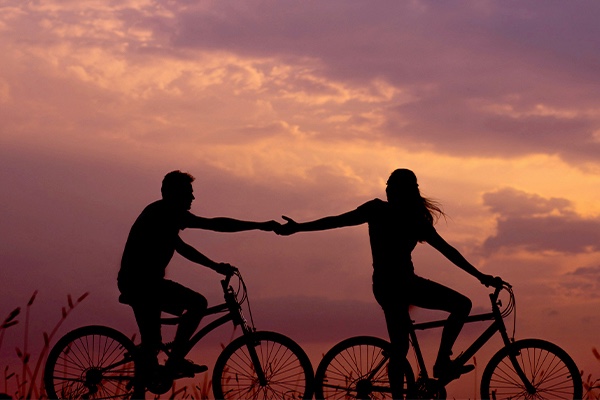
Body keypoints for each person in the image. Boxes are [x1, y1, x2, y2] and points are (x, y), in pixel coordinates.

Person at [275, 168, 502, 397]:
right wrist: (481, 277)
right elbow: (337, 221)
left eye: (391, 185)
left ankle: (424, 375)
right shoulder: (394, 214)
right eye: (387, 185)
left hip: (389, 286)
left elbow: (448, 251)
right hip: (400, 285)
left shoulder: (398, 215)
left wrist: (480, 276)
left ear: (402, 190)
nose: (387, 189)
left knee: (401, 346)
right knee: (458, 307)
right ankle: (442, 362)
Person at [118, 170, 279, 378]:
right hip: (141, 285)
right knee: (197, 304)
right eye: (188, 193)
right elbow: (212, 227)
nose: (192, 198)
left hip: (145, 284)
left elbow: (189, 243)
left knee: (152, 346)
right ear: (174, 194)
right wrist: (259, 226)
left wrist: (215, 265)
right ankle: (174, 361)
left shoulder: (164, 215)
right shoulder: (163, 213)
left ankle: (157, 368)